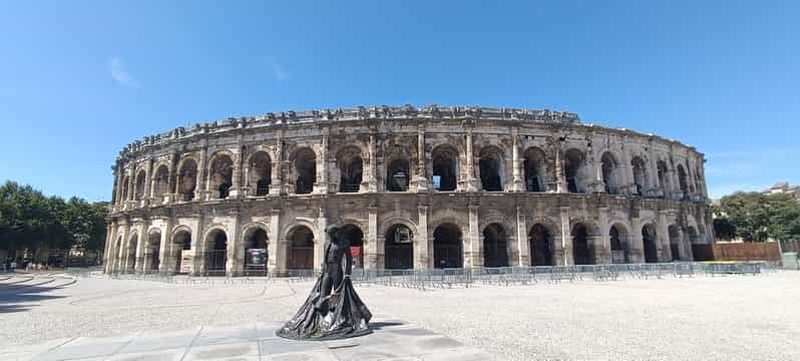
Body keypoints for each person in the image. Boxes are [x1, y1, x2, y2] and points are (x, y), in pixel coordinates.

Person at [276, 225, 372, 340]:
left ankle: (339, 316)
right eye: (328, 234)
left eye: (331, 234)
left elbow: (349, 258)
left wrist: (347, 273)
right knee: (323, 293)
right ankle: (321, 317)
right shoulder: (327, 243)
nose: (329, 236)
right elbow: (325, 259)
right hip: (327, 270)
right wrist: (322, 272)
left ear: (336, 233)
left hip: (337, 270)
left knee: (337, 294)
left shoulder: (344, 243)